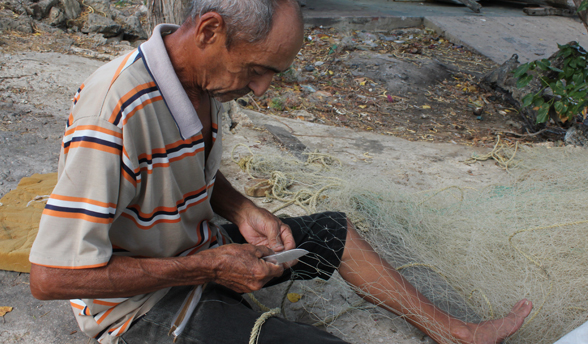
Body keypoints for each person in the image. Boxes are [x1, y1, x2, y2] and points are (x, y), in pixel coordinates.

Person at [28, 0, 533, 343]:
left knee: (337, 233)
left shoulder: (202, 82)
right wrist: (210, 266)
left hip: (192, 253)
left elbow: (178, 167)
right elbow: (52, 277)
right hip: (135, 310)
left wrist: (242, 208)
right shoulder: (113, 110)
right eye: (257, 70)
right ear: (209, 31)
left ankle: (456, 334)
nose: (262, 89)